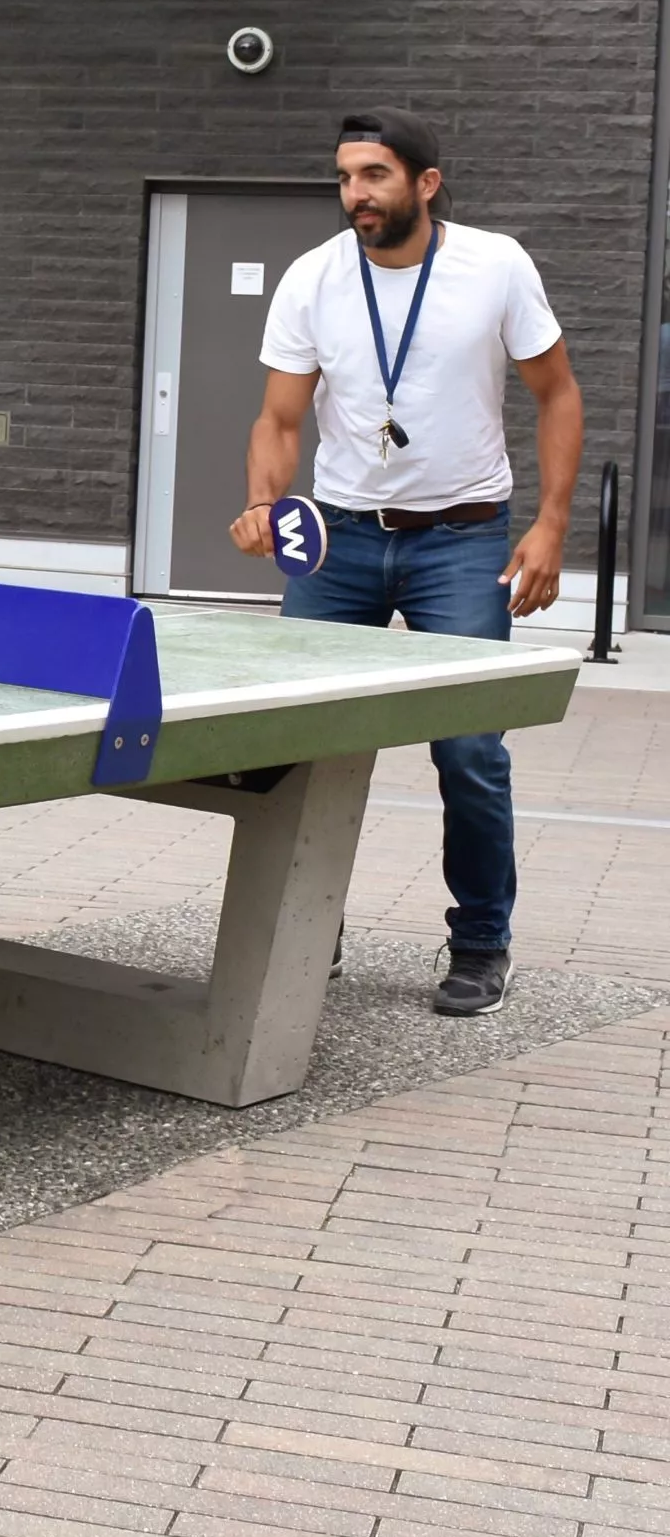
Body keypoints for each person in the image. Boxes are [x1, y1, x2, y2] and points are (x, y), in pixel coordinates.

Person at [229, 109, 582, 1018]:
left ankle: (480, 947)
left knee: (468, 749)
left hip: (460, 541)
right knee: (293, 740)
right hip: (340, 539)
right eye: (346, 176)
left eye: (375, 175)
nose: (356, 194)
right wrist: (267, 505)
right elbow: (278, 419)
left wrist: (548, 527)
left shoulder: (495, 267)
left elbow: (557, 393)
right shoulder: (314, 278)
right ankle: (309, 934)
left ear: (424, 183)